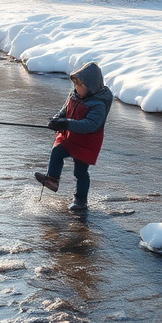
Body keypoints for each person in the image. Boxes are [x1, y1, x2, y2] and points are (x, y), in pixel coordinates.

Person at [34, 62, 114, 212]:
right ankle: (52, 180)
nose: (76, 89)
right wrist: (57, 120)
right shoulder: (75, 95)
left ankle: (81, 200)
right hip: (71, 136)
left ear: (91, 87)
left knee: (80, 172)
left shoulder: (99, 104)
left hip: (86, 142)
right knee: (57, 151)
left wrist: (67, 123)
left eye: (80, 86)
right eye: (75, 85)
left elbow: (90, 124)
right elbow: (65, 110)